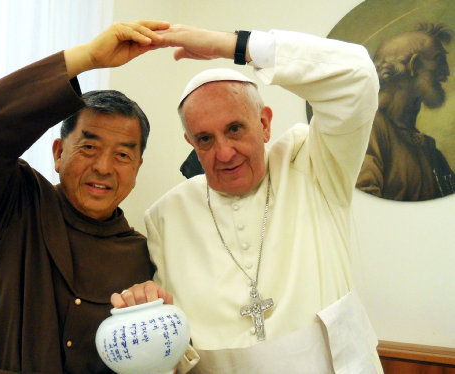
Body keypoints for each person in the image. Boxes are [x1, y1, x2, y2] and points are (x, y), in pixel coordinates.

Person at [112, 25, 383, 373]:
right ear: (191, 143)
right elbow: (174, 344)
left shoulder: (313, 163)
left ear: (265, 123)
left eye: (235, 129)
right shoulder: (167, 216)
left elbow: (357, 76)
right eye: (205, 139)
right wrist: (144, 317)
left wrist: (234, 45)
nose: (224, 153)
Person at [0, 21, 173, 373]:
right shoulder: (13, 202)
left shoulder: (141, 257)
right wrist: (86, 58)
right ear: (58, 153)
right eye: (89, 147)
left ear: (137, 167)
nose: (104, 167)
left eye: (122, 155)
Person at [357, 23, 455, 201]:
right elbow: (364, 206)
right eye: (439, 61)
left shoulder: (430, 151)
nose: (446, 72)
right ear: (414, 65)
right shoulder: (367, 127)